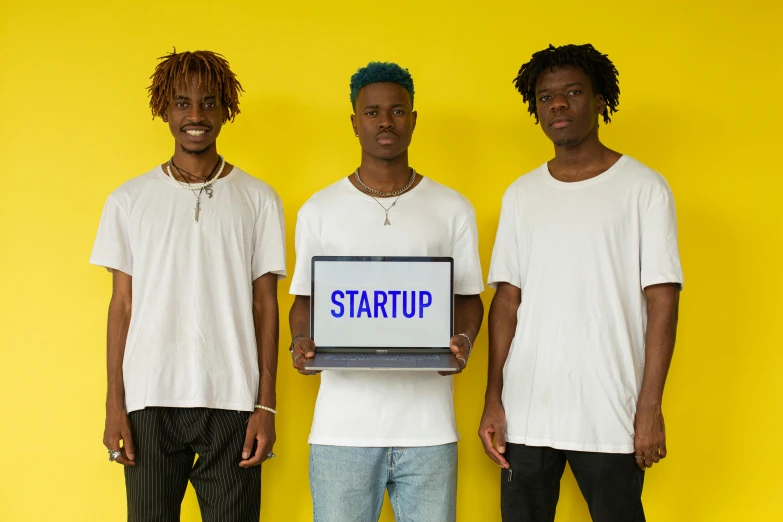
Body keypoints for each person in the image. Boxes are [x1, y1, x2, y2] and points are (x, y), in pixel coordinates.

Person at [479, 44, 683, 522]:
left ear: (599, 101)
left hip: (609, 411)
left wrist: (650, 407)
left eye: (572, 92)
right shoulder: (522, 194)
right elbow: (507, 301)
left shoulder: (643, 188)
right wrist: (493, 398)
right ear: (535, 109)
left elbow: (663, 300)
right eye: (546, 96)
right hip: (527, 413)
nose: (559, 105)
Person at [90, 50, 286, 522]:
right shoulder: (128, 199)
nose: (195, 115)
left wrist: (266, 405)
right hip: (150, 399)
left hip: (234, 400)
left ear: (226, 110)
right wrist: (115, 404)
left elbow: (266, 305)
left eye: (208, 102)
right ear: (163, 108)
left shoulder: (259, 198)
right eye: (182, 102)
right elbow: (121, 304)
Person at [288, 61, 484, 522]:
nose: (385, 121)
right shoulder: (320, 209)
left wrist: (465, 342)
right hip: (342, 431)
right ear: (354, 122)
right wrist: (301, 343)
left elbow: (469, 298)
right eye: (372, 111)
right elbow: (304, 301)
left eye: (397, 111)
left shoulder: (453, 208)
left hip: (429, 430)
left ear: (413, 120)